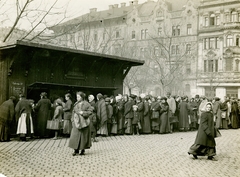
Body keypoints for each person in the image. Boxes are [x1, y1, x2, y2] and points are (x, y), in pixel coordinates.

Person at [69, 91, 92, 156]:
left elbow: (90, 111)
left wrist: (83, 113)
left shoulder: (87, 104)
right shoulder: (75, 104)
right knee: (75, 136)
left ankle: (82, 150)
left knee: (83, 136)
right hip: (76, 122)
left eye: (78, 97)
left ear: (82, 97)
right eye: (77, 97)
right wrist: (72, 120)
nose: (77, 98)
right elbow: (73, 112)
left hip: (84, 122)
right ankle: (75, 150)